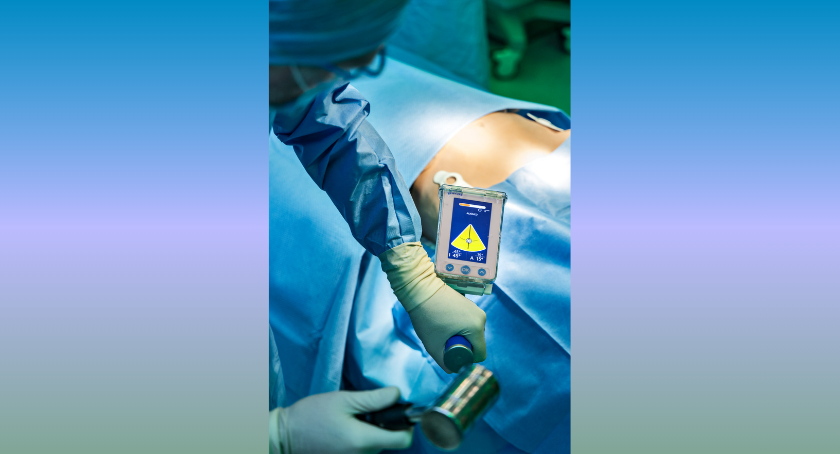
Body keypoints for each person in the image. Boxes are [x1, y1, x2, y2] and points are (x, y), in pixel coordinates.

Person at [268, 1, 488, 452]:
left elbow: (327, 123)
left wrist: (411, 267)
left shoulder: (283, 63)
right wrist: (275, 435)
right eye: (330, 62)